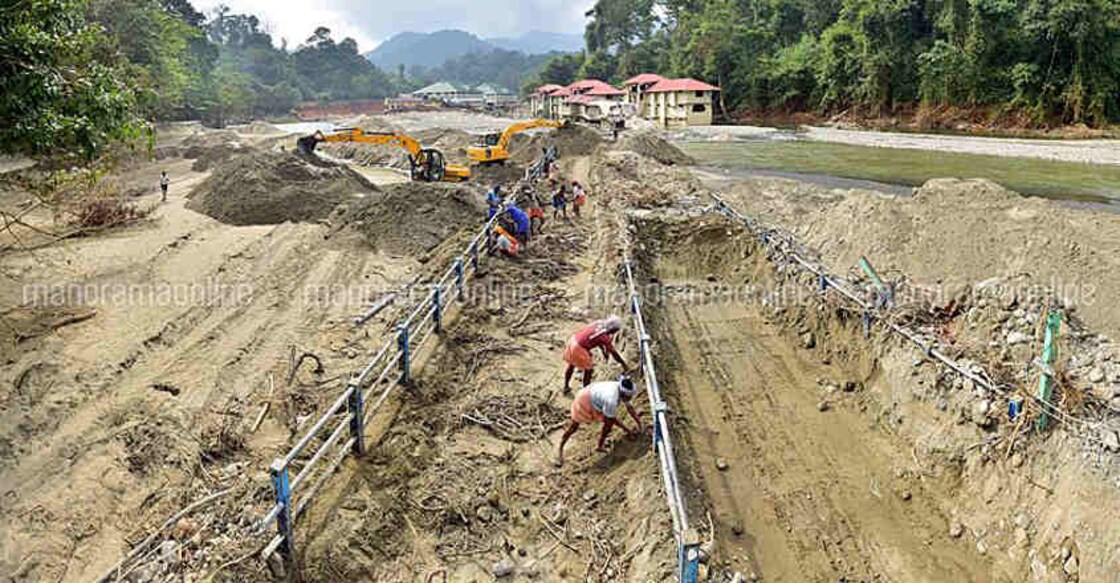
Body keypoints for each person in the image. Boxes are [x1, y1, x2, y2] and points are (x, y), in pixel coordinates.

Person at [555, 373, 643, 467]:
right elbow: (608, 424)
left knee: (606, 420)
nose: (630, 398)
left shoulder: (619, 387)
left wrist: (639, 423)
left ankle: (599, 445)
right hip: (584, 401)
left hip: (590, 393)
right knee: (574, 426)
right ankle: (560, 447)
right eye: (629, 397)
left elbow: (629, 408)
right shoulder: (611, 400)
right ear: (624, 395)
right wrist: (627, 430)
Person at [563, 315, 629, 393]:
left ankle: (566, 386)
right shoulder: (605, 337)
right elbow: (614, 353)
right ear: (613, 329)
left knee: (571, 364)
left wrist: (603, 351)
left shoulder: (598, 323)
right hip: (579, 348)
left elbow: (594, 337)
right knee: (589, 370)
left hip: (573, 340)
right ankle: (585, 392)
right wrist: (624, 364)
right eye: (616, 330)